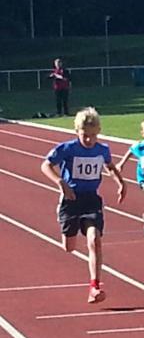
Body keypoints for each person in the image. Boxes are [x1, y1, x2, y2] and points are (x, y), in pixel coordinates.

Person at [40, 107, 126, 303]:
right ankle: (65, 219)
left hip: (91, 200)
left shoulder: (102, 150)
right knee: (69, 247)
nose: (89, 139)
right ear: (77, 131)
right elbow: (45, 165)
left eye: (93, 135)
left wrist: (121, 183)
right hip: (70, 200)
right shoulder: (67, 148)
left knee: (95, 239)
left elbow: (110, 166)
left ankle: (94, 286)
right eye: (85, 135)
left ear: (99, 132)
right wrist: (60, 182)